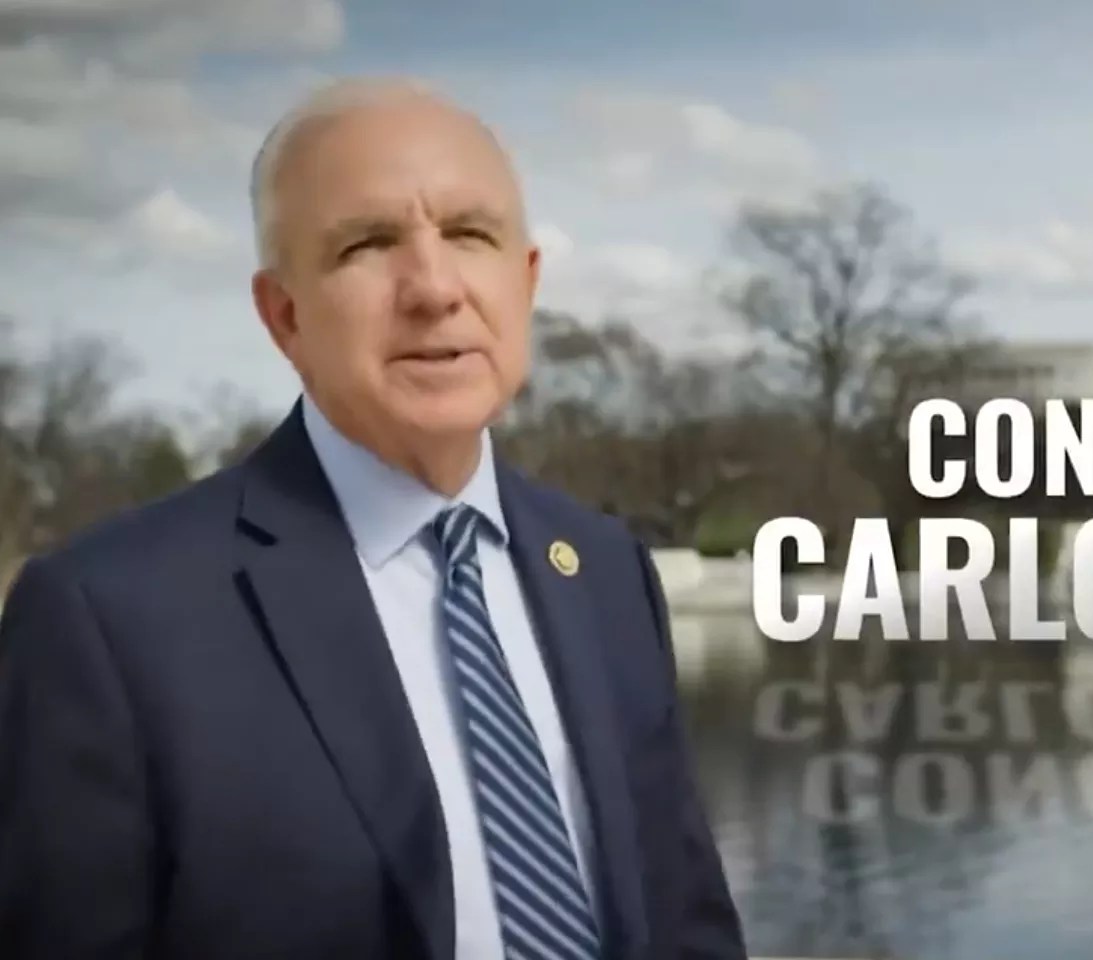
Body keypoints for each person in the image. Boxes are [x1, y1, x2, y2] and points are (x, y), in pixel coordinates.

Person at [0, 78, 749, 960]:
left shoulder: (605, 570)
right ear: (284, 314)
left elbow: (685, 925)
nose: (434, 289)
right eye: (367, 244)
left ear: (526, 280)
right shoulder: (109, 620)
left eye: (470, 234)